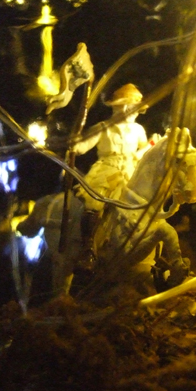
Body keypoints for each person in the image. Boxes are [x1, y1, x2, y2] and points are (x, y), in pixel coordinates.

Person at [72, 83, 151, 270]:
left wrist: (151, 147)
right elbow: (82, 147)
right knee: (95, 203)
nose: (135, 112)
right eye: (132, 107)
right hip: (107, 170)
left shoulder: (138, 130)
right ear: (120, 107)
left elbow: (145, 150)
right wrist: (74, 145)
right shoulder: (103, 128)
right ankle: (88, 248)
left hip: (131, 171)